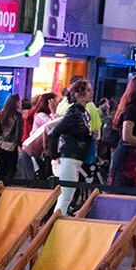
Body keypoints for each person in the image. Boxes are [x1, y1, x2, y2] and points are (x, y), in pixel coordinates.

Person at [47, 78, 97, 213]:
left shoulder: (82, 113)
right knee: (65, 196)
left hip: (74, 158)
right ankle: (55, 226)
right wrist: (54, 156)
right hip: (69, 158)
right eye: (87, 90)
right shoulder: (74, 114)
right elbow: (53, 133)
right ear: (77, 94)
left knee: (67, 196)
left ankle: (57, 224)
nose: (91, 93)